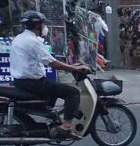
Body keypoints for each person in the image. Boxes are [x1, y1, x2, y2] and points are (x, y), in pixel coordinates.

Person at [9, 11, 90, 139]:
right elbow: (52, 63)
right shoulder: (32, 41)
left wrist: (72, 66)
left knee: (56, 89)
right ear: (37, 25)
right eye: (43, 24)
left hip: (21, 81)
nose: (45, 27)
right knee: (72, 93)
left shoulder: (19, 38)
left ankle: (52, 121)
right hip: (33, 83)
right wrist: (76, 68)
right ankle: (66, 127)